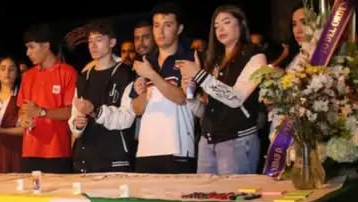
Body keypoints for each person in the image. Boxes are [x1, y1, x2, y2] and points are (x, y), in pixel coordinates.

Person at [179, 5, 267, 175]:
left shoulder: (255, 56)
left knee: (234, 192)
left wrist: (200, 75)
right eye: (216, 26)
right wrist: (189, 94)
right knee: (204, 191)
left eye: (226, 22)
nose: (220, 29)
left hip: (237, 141)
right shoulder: (215, 60)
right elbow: (205, 111)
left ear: (241, 24)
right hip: (207, 141)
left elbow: (235, 98)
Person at [131, 2, 199, 173]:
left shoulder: (189, 59)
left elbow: (182, 98)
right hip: (146, 150)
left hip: (177, 148)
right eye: (156, 25)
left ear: (179, 28)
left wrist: (153, 76)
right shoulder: (147, 62)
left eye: (167, 25)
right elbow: (137, 109)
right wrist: (144, 92)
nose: (160, 32)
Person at [69, 20, 137, 173]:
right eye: (90, 41)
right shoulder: (83, 78)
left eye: (99, 40)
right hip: (85, 161)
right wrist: (78, 125)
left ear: (112, 42)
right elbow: (74, 118)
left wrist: (96, 111)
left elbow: (127, 118)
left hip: (114, 161)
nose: (93, 45)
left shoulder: (126, 74)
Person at [18, 23, 77, 173]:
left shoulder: (67, 72)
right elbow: (22, 109)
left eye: (31, 47)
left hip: (57, 151)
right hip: (30, 151)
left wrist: (42, 112)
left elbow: (72, 111)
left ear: (45, 46)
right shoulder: (28, 76)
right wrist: (24, 119)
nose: (28, 53)